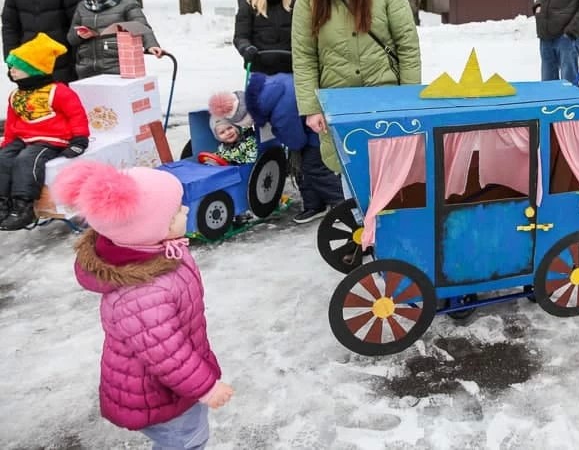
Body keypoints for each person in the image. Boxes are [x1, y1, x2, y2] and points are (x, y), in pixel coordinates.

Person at [49, 160, 233, 447]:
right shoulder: (142, 294)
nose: (185, 210)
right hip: (158, 394)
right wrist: (206, 388)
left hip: (169, 385)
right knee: (185, 441)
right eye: (175, 213)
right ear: (146, 229)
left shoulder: (153, 248)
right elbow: (167, 355)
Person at [292, 0, 421, 185]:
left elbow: (407, 45)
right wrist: (311, 106)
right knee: (354, 182)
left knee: (393, 180)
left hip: (384, 99)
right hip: (338, 104)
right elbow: (303, 54)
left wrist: (409, 99)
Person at [0, 33, 89, 230]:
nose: (12, 71)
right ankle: (2, 202)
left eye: (17, 67)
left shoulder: (58, 91)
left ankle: (23, 205)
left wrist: (79, 139)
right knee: (4, 158)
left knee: (26, 159)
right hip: (24, 137)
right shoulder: (16, 95)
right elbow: (12, 121)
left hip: (51, 139)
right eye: (11, 67)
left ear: (33, 70)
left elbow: (76, 115)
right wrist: (8, 143)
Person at [244, 71, 344, 223]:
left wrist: (276, 130)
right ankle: (315, 205)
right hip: (317, 122)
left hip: (319, 129)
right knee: (304, 167)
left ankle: (342, 204)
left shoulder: (280, 113)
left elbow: (296, 142)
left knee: (315, 168)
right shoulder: (272, 85)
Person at [67, 0, 165, 80]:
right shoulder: (82, 7)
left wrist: (151, 45)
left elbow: (141, 25)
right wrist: (80, 35)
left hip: (117, 69)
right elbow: (71, 38)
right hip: (87, 70)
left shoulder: (125, 3)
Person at [233, 0, 293, 75]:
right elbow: (240, 36)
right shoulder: (249, 7)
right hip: (261, 67)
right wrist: (246, 48)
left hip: (290, 67)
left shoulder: (291, 4)